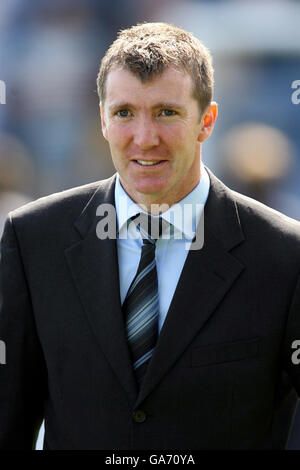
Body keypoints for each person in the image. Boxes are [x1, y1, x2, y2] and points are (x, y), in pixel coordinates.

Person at [0, 22, 300, 451]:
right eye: (124, 113)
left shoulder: (285, 257)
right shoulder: (32, 241)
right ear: (102, 120)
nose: (145, 138)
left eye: (166, 112)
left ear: (206, 121)